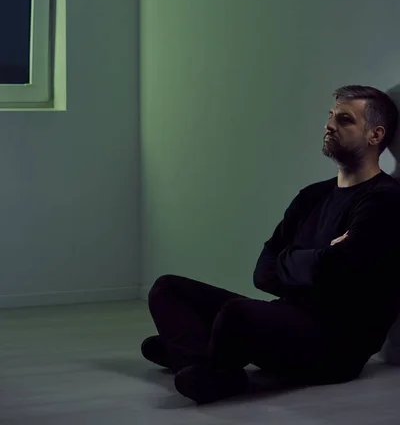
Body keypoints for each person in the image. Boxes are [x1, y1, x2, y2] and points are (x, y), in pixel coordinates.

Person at [141, 85, 400, 404]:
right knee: (167, 288)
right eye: (330, 116)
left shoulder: (386, 201)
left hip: (335, 349)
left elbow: (345, 277)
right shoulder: (311, 196)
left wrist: (296, 262)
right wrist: (320, 258)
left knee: (236, 314)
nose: (329, 125)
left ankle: (206, 362)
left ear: (375, 135)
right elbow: (263, 273)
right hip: (287, 318)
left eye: (344, 119)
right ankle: (205, 360)